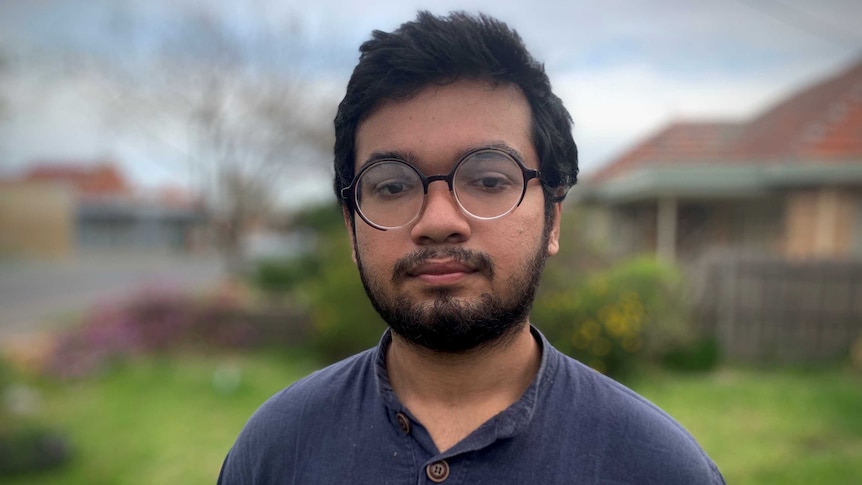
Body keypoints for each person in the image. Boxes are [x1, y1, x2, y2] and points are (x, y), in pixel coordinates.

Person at [218, 11, 725, 484]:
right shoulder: (276, 452)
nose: (438, 222)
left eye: (487, 179)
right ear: (352, 227)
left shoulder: (658, 467)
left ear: (553, 220)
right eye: (392, 186)